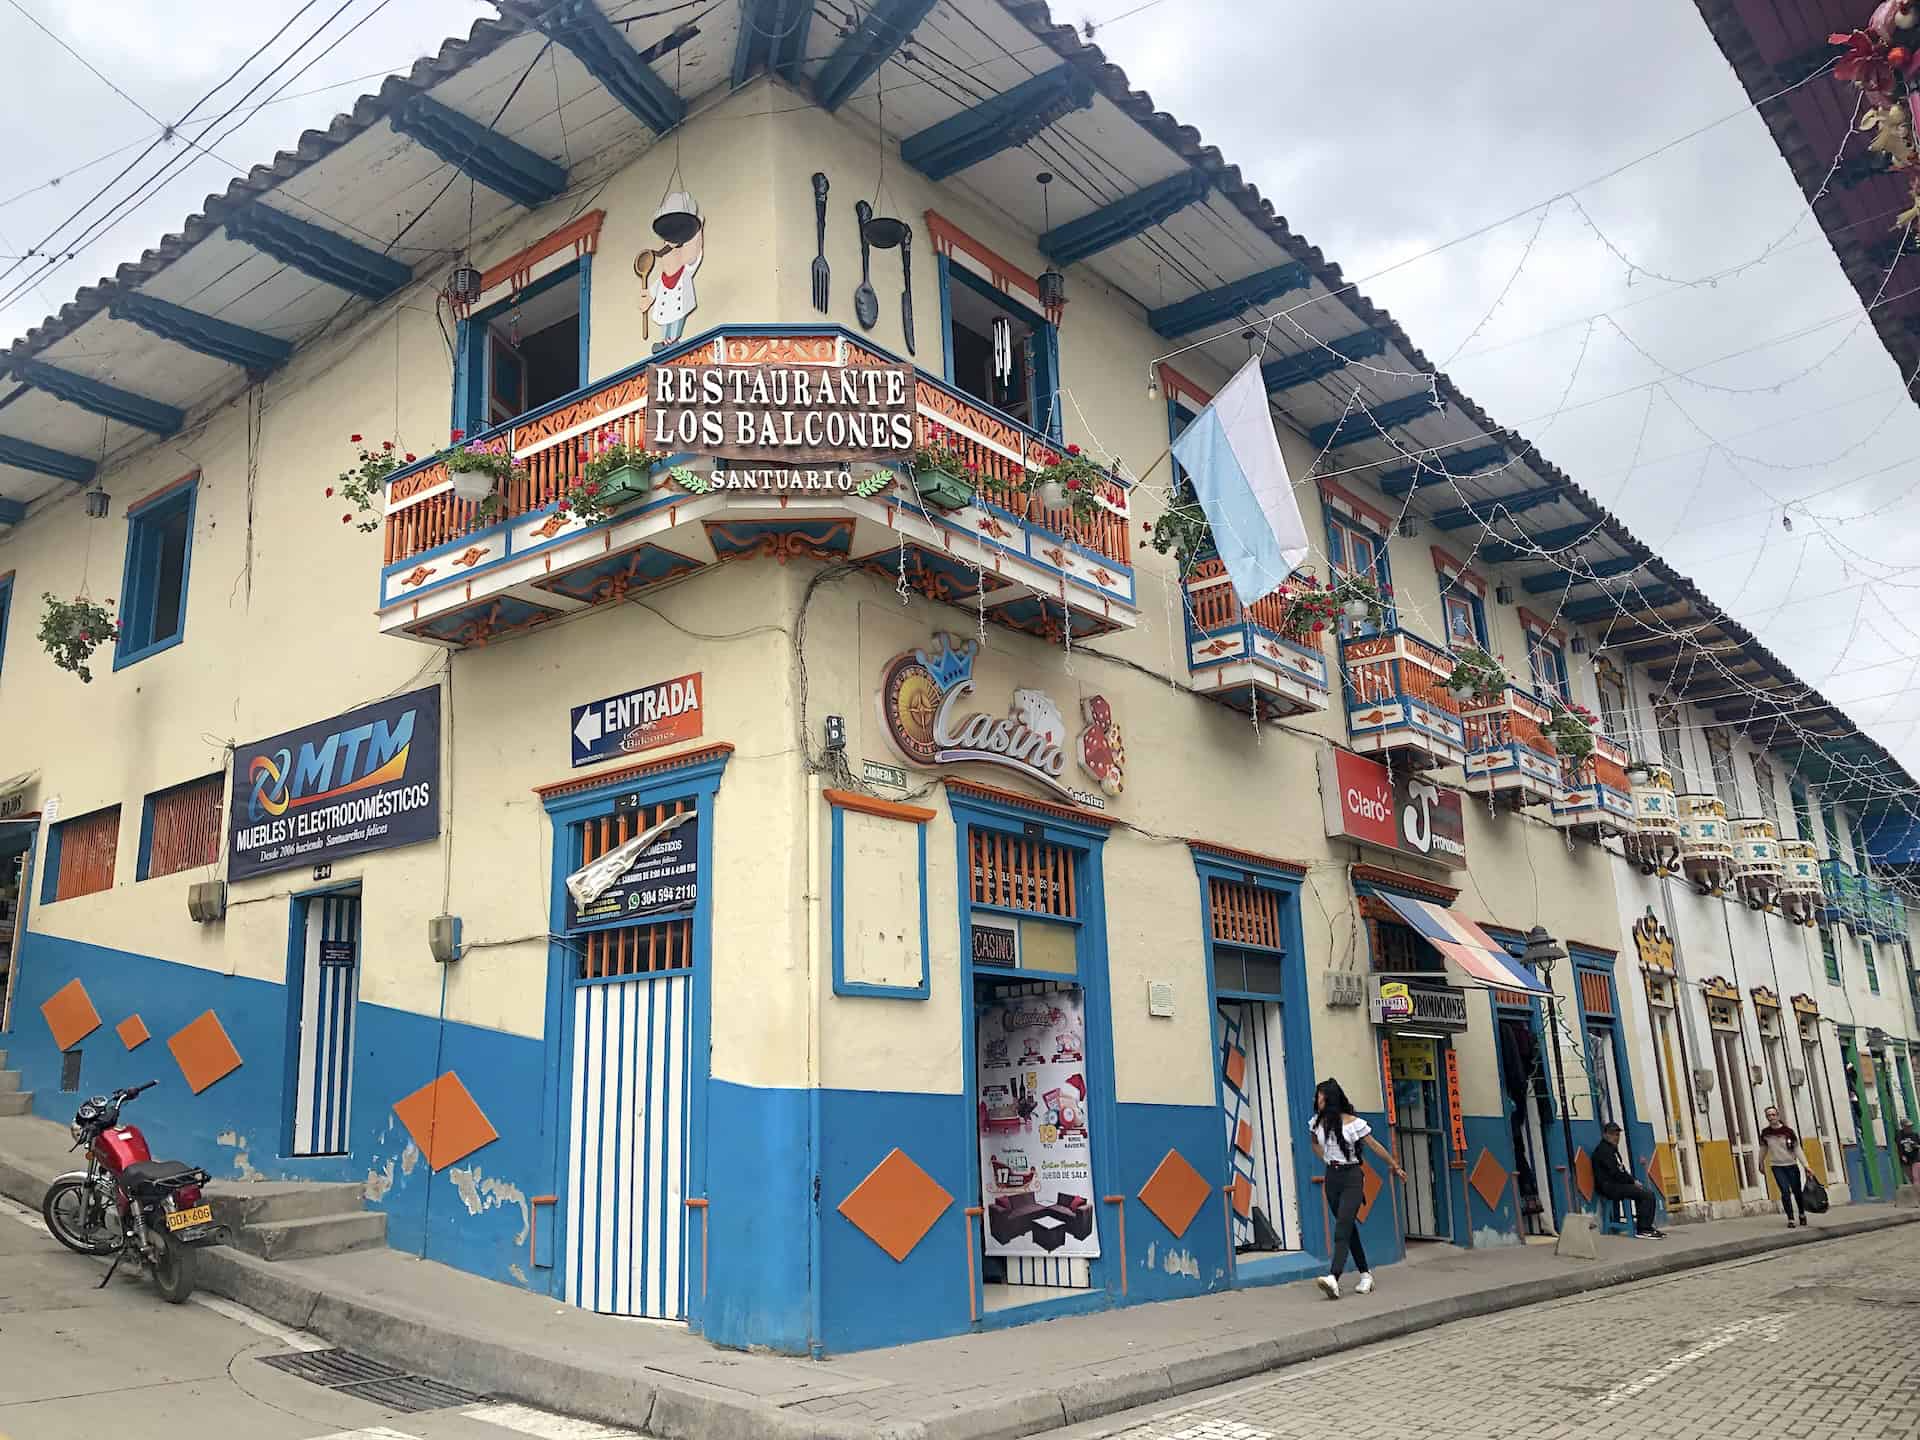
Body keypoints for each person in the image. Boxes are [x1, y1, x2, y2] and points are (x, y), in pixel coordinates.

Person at [1309, 1078, 1406, 1300]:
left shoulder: (1353, 1123)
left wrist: (1395, 1166)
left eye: (1321, 1096)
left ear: (1330, 1098)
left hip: (1352, 1177)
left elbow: (1374, 1145)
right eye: (1317, 1096)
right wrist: (1325, 1158)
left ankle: (1333, 1277)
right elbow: (1313, 1142)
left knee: (1343, 1225)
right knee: (1347, 1227)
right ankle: (1366, 1275)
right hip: (1331, 1177)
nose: (1317, 1099)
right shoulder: (1316, 1122)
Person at [1593, 1121, 1664, 1238]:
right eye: (1612, 1134)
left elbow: (1621, 1170)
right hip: (1609, 1187)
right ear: (1605, 1135)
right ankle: (1643, 1229)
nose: (1615, 1137)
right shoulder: (1603, 1151)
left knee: (1645, 1193)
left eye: (1617, 1134)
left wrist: (1632, 1181)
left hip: (1615, 1185)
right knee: (1646, 1195)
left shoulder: (1612, 1150)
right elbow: (1615, 1172)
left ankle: (1647, 1226)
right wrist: (1632, 1182)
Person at [1758, 1106, 1808, 1228]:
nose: (1771, 1118)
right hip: (1777, 1166)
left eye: (1773, 1115)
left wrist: (1806, 1166)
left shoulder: (1788, 1132)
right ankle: (1790, 1219)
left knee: (1797, 1191)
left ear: (1778, 1116)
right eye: (1768, 1115)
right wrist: (1760, 1163)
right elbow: (1763, 1149)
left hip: (1791, 1165)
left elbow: (1797, 1149)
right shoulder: (1766, 1133)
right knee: (1785, 1192)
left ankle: (1801, 1213)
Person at [1897, 1118, 1920, 1191]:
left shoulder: (1915, 1135)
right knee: (1911, 1178)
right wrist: (1901, 1156)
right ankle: (1917, 1196)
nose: (1910, 1128)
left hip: (1915, 1158)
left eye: (1910, 1126)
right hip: (1905, 1160)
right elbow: (1898, 1146)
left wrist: (1916, 1146)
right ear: (1903, 1127)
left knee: (1915, 1177)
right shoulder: (1899, 1135)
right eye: (1908, 1126)